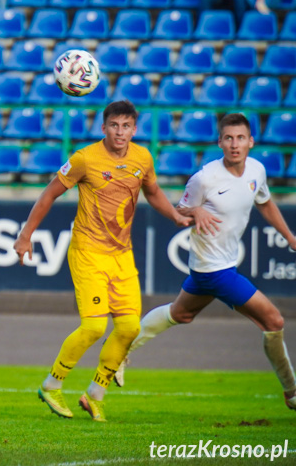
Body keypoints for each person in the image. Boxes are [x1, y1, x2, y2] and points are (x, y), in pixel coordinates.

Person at [13, 101, 190, 423]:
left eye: (126, 126)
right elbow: (49, 194)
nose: (120, 132)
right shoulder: (85, 158)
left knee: (129, 327)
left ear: (134, 129)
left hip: (122, 255)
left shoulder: (142, 158)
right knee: (95, 326)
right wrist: (26, 235)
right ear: (103, 127)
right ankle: (51, 385)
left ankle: (95, 394)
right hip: (88, 253)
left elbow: (152, 192)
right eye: (114, 125)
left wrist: (175, 215)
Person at [114, 113, 296, 414]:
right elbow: (181, 210)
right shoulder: (205, 178)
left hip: (215, 266)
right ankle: (292, 392)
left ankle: (119, 352)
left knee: (180, 314)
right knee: (274, 321)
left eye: (240, 138)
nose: (234, 144)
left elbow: (264, 202)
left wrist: (289, 236)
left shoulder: (257, 170)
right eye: (228, 138)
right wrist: (195, 212)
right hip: (214, 268)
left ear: (250, 141)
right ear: (220, 142)